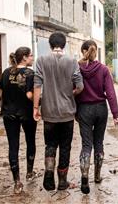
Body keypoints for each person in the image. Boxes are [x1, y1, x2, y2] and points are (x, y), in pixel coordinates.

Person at [33, 32, 84, 191]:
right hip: (67, 113)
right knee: (65, 147)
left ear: (50, 45)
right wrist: (71, 93)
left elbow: (37, 86)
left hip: (49, 112)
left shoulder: (41, 60)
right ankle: (62, 181)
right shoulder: (72, 61)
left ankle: (49, 174)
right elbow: (80, 86)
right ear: (64, 45)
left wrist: (36, 107)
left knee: (50, 144)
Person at [75, 40, 118, 194]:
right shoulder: (103, 69)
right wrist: (115, 114)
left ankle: (84, 177)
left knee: (86, 144)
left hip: (84, 109)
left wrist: (75, 112)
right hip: (101, 109)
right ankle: (97, 176)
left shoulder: (77, 69)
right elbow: (111, 93)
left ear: (83, 51)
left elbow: (73, 90)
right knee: (99, 143)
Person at [0, 47, 37, 194]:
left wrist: (6, 103)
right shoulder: (30, 74)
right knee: (30, 141)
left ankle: (17, 181)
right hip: (27, 113)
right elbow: (30, 95)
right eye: (31, 56)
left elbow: (1, 90)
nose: (32, 58)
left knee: (13, 146)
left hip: (10, 114)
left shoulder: (7, 72)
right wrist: (38, 103)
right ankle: (29, 172)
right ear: (25, 58)